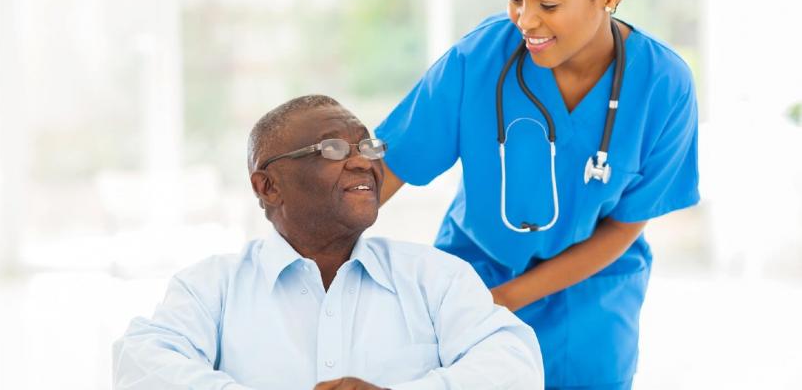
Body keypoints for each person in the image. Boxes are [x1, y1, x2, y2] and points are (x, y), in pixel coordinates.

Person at [374, 0, 698, 388]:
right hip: (470, 287)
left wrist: (506, 299)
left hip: (591, 304)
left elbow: (626, 225)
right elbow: (384, 172)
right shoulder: (477, 61)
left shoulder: (663, 85)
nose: (524, 20)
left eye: (547, 4)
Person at [112, 95, 544, 390]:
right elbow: (140, 364)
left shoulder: (434, 276)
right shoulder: (211, 287)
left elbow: (514, 364)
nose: (363, 162)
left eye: (368, 147)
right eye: (334, 149)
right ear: (267, 187)